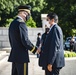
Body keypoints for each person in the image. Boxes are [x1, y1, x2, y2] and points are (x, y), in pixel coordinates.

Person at [8, 5, 39, 75]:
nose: (28, 16)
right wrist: (35, 49)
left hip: (15, 56)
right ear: (23, 13)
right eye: (27, 14)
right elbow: (25, 41)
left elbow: (11, 39)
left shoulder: (12, 23)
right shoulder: (21, 24)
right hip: (22, 57)